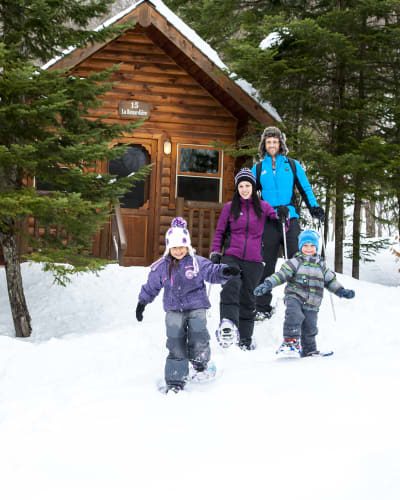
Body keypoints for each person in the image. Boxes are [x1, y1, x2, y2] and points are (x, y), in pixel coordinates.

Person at [136, 217, 238, 393]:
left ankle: (200, 364)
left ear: (188, 247)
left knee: (198, 335)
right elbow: (151, 286)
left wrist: (224, 271)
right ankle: (176, 378)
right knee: (175, 342)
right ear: (169, 248)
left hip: (197, 306)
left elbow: (212, 272)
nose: (178, 251)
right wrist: (142, 302)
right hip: (173, 310)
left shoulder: (196, 262)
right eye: (174, 247)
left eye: (182, 247)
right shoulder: (161, 267)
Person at [252, 126, 325, 320]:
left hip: (290, 218)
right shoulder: (259, 168)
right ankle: (261, 306)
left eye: (275, 141)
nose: (272, 145)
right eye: (269, 142)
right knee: (266, 262)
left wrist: (315, 207)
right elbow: (247, 193)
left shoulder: (291, 165)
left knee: (296, 260)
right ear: (264, 145)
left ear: (280, 144)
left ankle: (298, 300)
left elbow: (305, 188)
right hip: (268, 220)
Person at [254, 229, 355, 357]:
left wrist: (341, 291)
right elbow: (281, 275)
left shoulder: (322, 266)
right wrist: (268, 283)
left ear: (316, 248)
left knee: (310, 326)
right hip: (294, 296)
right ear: (301, 246)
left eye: (312, 246)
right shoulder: (295, 262)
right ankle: (290, 342)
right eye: (305, 245)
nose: (309, 248)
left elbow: (330, 281)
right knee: (294, 315)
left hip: (313, 302)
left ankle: (309, 349)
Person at [210, 168, 280, 350]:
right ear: (237, 188)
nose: (244, 189)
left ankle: (245, 339)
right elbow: (220, 232)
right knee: (231, 285)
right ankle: (228, 326)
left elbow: (280, 225)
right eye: (241, 186)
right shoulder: (229, 208)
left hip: (254, 260)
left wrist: (283, 216)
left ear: (253, 187)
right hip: (232, 255)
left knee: (248, 297)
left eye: (247, 185)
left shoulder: (263, 207)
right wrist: (216, 252)